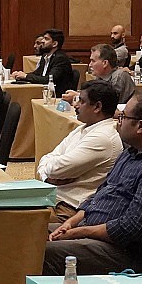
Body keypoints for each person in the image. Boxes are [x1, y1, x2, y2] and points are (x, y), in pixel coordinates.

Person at [43, 93, 142, 276]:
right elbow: (100, 193)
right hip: (91, 228)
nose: (117, 121)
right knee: (27, 231)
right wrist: (72, 222)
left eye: (123, 117)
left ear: (140, 126)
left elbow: (130, 228)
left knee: (42, 252)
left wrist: (79, 232)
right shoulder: (131, 151)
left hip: (123, 252)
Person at [38, 81, 123, 222]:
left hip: (69, 209)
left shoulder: (103, 138)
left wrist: (48, 172)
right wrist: (47, 177)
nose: (75, 105)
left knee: (16, 225)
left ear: (97, 107)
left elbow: (56, 168)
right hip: (54, 198)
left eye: (81, 101)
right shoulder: (83, 128)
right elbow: (48, 157)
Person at [11, 29, 76, 96]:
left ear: (54, 44)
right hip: (45, 93)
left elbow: (48, 80)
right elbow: (37, 74)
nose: (42, 41)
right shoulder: (45, 56)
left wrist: (26, 76)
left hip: (57, 96)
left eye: (46, 39)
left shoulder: (60, 59)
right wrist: (21, 75)